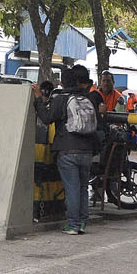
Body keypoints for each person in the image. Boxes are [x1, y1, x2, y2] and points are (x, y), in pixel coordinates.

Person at [33, 64, 100, 234]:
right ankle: (83, 223)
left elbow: (47, 118)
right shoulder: (88, 98)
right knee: (83, 188)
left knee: (72, 188)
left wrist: (39, 100)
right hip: (87, 151)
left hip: (67, 150)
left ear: (62, 83)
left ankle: (73, 224)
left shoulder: (61, 98)